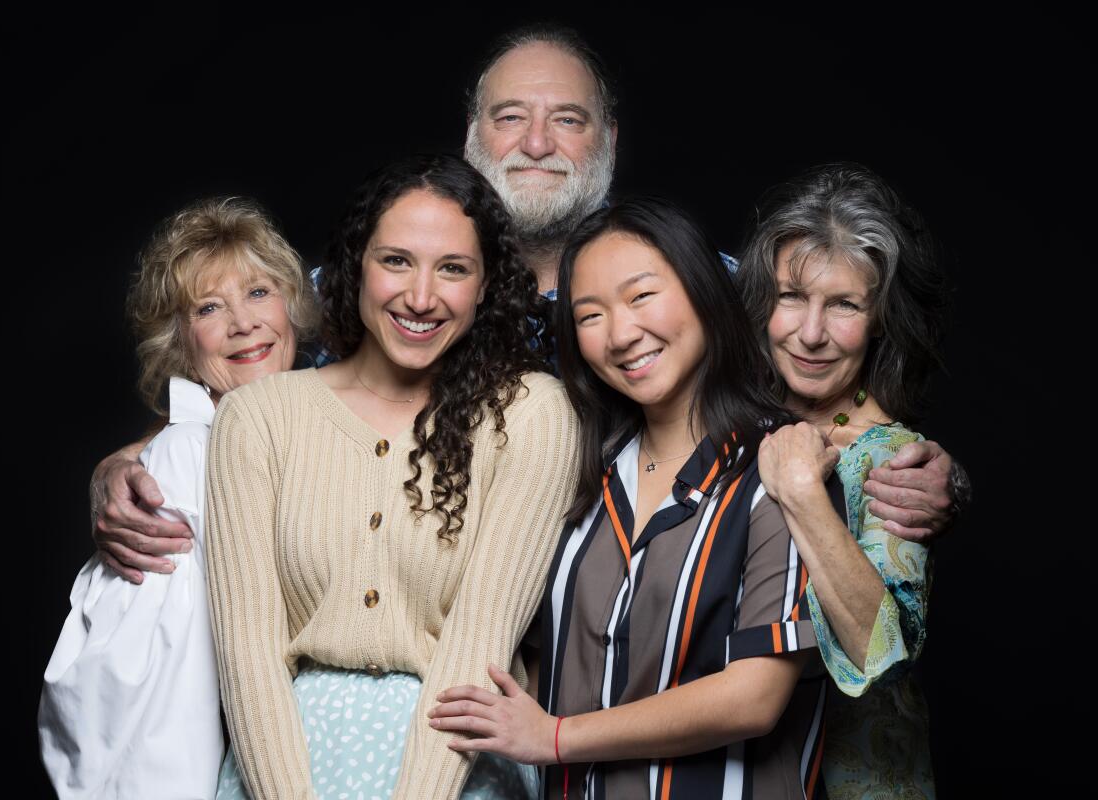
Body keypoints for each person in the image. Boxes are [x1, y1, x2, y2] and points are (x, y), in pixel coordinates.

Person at [86, 23, 961, 616]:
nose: (536, 142)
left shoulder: (709, 290)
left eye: (567, 121)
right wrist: (130, 462)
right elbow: (239, 367)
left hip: (638, 636)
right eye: (511, 117)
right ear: (473, 134)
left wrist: (937, 476)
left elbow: (821, 368)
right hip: (418, 637)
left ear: (609, 141)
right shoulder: (380, 287)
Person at [204, 154, 579, 800]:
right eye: (396, 261)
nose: (421, 297)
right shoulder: (257, 418)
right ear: (356, 267)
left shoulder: (529, 414)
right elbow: (247, 659)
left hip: (457, 770)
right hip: (282, 768)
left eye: (453, 269)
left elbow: (479, 645)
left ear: (487, 285)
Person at [429, 198, 827, 798]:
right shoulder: (578, 471)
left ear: (701, 291)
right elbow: (537, 660)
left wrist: (555, 738)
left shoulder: (779, 467)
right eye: (589, 316)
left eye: (642, 297)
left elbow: (754, 698)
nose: (621, 334)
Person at [39, 197, 318, 798]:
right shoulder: (182, 463)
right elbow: (157, 706)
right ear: (181, 344)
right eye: (209, 308)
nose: (243, 323)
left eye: (260, 293)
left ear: (296, 309)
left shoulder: (298, 435)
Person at [744, 164, 948, 797]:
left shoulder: (894, 460)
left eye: (843, 305)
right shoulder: (736, 415)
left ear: (881, 317)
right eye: (791, 298)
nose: (810, 333)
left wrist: (805, 495)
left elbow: (882, 654)